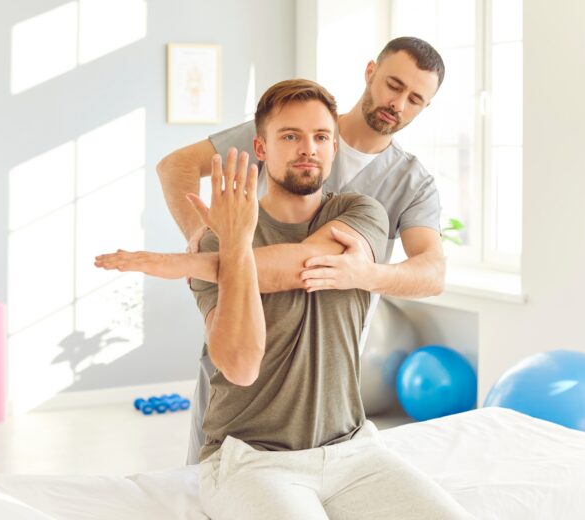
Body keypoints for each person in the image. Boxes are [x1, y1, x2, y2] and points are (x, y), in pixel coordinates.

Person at [97, 79, 471, 520]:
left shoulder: (360, 211)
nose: (307, 148)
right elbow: (240, 364)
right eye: (290, 136)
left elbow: (304, 265)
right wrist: (232, 247)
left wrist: (195, 264)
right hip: (250, 460)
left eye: (320, 137)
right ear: (261, 147)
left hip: (353, 452)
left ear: (333, 149)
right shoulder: (220, 240)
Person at [158, 36, 450, 465]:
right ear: (370, 72)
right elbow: (176, 166)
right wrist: (201, 237)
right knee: (213, 476)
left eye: (415, 99)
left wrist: (367, 275)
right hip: (245, 332)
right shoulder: (293, 126)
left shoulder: (410, 182)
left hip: (327, 363)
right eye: (393, 85)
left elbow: (432, 272)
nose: (398, 104)